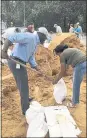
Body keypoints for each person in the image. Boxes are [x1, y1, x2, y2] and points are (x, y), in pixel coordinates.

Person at [2, 27, 49, 115]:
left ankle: (26, 99)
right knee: (23, 85)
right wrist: (4, 50)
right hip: (15, 61)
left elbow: (31, 58)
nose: (44, 41)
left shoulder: (35, 44)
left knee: (23, 83)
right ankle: (26, 110)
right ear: (41, 35)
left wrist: (37, 68)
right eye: (45, 38)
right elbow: (11, 38)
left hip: (20, 63)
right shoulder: (29, 37)